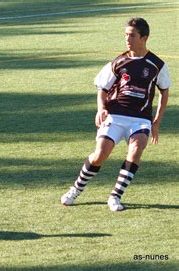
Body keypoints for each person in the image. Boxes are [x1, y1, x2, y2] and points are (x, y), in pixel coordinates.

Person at [60, 18, 170, 211]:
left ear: (144, 38)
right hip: (116, 115)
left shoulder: (157, 65)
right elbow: (102, 88)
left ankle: (115, 196)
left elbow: (164, 91)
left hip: (140, 118)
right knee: (100, 155)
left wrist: (156, 122)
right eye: (126, 35)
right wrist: (101, 108)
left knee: (136, 150)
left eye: (132, 35)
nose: (128, 39)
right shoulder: (118, 62)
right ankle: (76, 189)